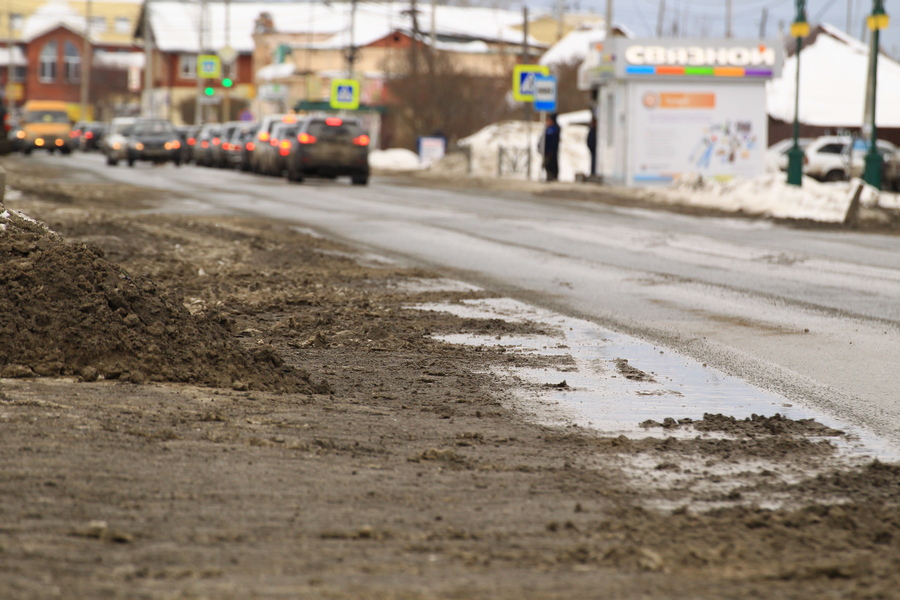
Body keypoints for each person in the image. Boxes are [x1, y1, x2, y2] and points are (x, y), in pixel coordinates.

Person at [539, 113, 561, 182]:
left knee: (551, 164)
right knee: (546, 165)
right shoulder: (547, 129)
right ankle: (549, 176)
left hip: (551, 152)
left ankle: (552, 177)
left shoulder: (554, 129)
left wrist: (551, 150)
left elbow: (553, 141)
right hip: (546, 151)